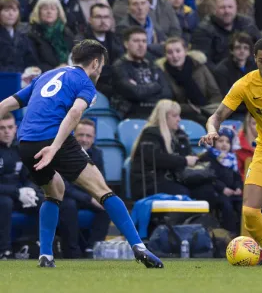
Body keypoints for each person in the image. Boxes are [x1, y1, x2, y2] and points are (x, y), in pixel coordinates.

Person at [0, 39, 163, 269]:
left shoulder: (48, 75)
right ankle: (139, 247)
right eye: (102, 65)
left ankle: (45, 256)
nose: (101, 69)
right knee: (102, 190)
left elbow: (8, 103)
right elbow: (76, 112)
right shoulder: (85, 83)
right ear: (95, 63)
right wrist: (55, 146)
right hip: (53, 139)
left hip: (26, 142)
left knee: (55, 190)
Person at [199, 37, 262, 265]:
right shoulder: (245, 84)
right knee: (250, 212)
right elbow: (216, 116)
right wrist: (212, 130)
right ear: (255, 59)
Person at [59, 118, 110, 259]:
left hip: (86, 195)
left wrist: (100, 197)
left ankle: (92, 250)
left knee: (107, 206)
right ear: (73, 135)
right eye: (81, 135)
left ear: (94, 138)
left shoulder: (97, 154)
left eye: (88, 136)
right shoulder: (62, 152)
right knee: (69, 204)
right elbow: (64, 186)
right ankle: (72, 252)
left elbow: (100, 181)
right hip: (67, 195)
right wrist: (89, 199)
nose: (84, 139)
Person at [0, 112, 43, 259]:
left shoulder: (20, 149)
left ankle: (39, 245)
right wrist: (17, 192)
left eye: (10, 127)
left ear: (15, 128)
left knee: (43, 200)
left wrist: (30, 189)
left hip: (17, 194)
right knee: (4, 202)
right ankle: (4, 251)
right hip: (4, 196)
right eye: (2, 128)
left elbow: (29, 175)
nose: (7, 131)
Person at [235, 112, 257, 181]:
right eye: (254, 123)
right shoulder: (237, 144)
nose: (258, 127)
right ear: (248, 124)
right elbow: (236, 173)